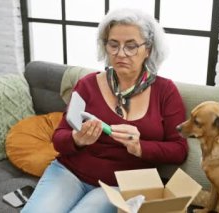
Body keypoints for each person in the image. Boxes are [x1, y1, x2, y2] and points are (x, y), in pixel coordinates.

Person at [21, 8, 188, 213]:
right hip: (69, 173)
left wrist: (139, 147)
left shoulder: (165, 91)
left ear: (149, 49)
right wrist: (77, 139)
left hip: (123, 185)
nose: (120, 54)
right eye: (113, 45)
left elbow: (179, 150)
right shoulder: (88, 84)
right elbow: (59, 138)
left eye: (131, 46)